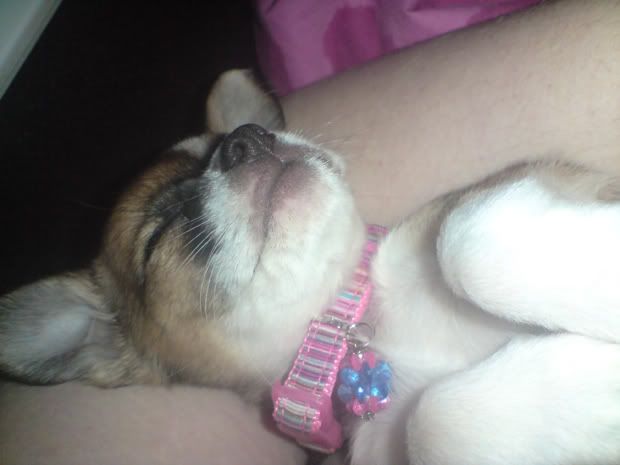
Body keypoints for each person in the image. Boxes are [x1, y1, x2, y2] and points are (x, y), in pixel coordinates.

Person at [3, 1, 620, 463]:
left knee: (485, 246)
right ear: (118, 341)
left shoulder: (448, 239)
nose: (243, 145)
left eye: (240, 140)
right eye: (163, 225)